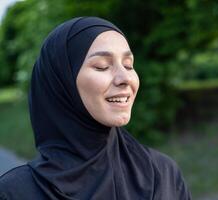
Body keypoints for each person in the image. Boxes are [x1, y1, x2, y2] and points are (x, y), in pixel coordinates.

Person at [0, 17, 191, 200]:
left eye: (128, 64)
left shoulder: (164, 175)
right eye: (102, 66)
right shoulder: (15, 193)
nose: (125, 78)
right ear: (62, 83)